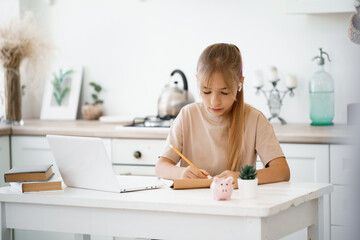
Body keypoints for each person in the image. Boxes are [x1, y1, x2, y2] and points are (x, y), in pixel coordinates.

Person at [155, 43, 290, 185]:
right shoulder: (187, 115)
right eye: (206, 91)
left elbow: (282, 171)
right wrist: (181, 172)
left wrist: (242, 178)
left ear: (239, 83)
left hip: (237, 204)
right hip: (192, 203)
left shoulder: (255, 119)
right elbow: (160, 167)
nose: (215, 102)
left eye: (224, 92)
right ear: (197, 81)